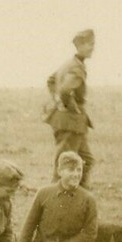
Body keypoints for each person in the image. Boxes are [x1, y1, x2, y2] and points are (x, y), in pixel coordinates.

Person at [17, 151, 98, 242]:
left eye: (79, 170)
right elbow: (29, 226)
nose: (76, 174)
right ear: (59, 171)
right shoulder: (44, 193)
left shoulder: (88, 200)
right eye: (71, 170)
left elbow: (90, 234)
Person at [44, 29, 95, 187]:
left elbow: (51, 80)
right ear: (79, 46)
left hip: (69, 122)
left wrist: (57, 99)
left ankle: (80, 196)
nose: (92, 48)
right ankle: (56, 198)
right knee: (65, 164)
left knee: (86, 159)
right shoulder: (76, 67)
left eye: (93, 44)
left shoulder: (70, 63)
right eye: (89, 45)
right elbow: (66, 90)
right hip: (70, 122)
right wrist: (70, 106)